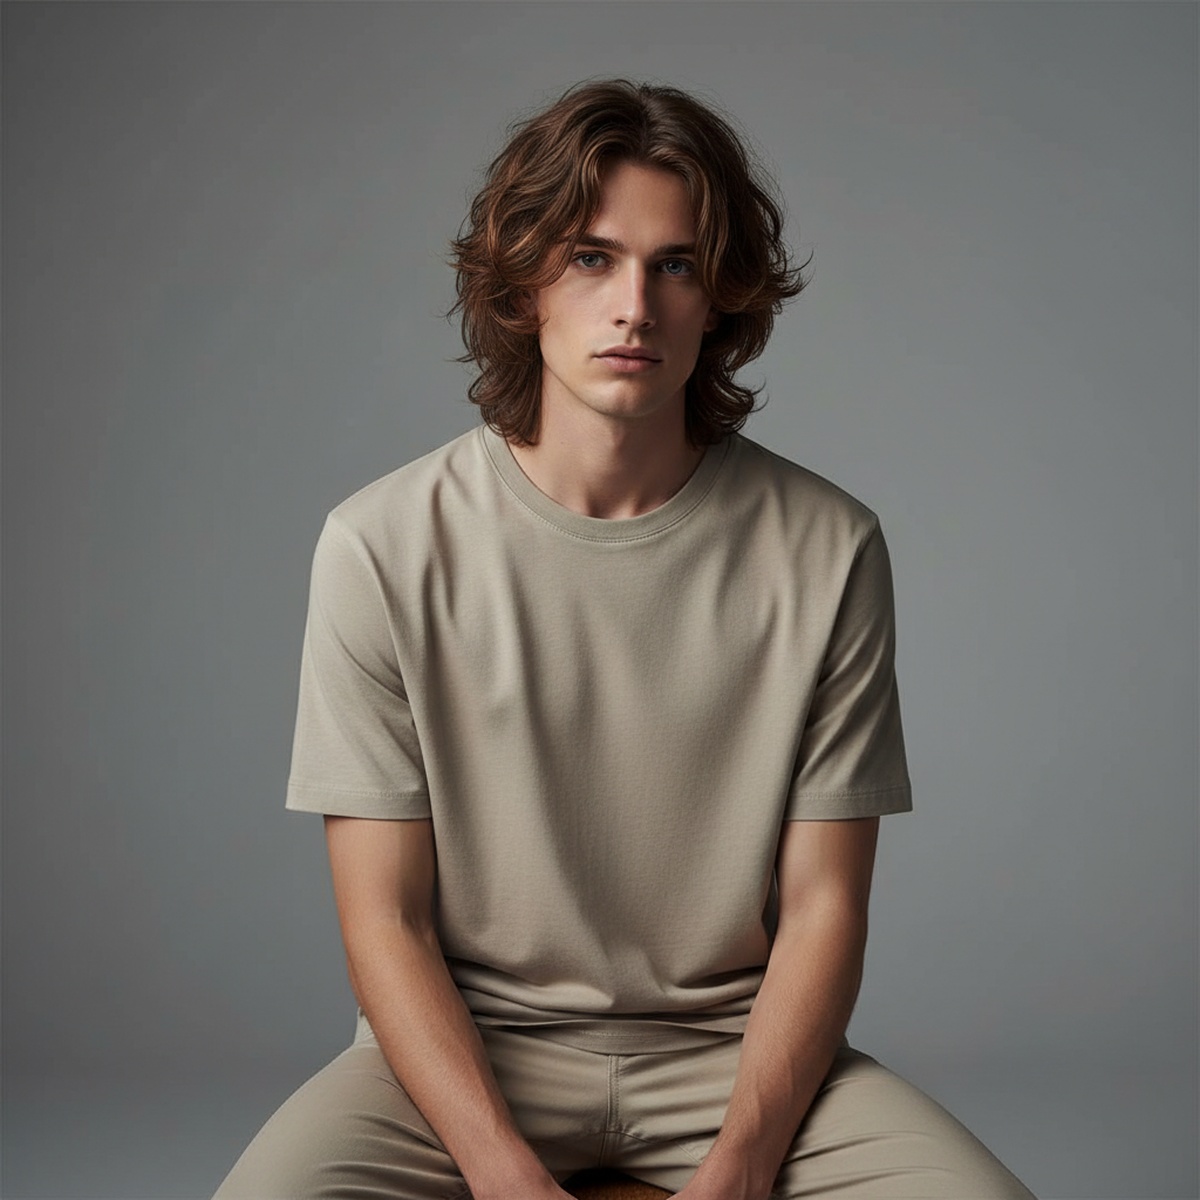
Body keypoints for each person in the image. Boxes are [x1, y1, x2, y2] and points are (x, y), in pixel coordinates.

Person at [215, 80, 1035, 1200]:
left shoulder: (828, 547)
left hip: (736, 1054)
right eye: (591, 259)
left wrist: (745, 1160)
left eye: (677, 265)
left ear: (719, 300)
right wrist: (499, 1169)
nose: (635, 306)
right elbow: (386, 919)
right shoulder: (382, 544)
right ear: (523, 286)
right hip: (464, 1053)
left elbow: (825, 908)